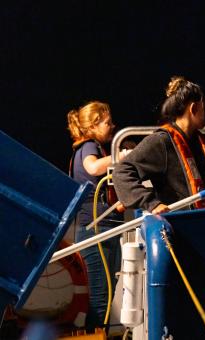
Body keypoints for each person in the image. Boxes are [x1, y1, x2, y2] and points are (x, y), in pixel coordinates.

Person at [112, 76, 205, 214]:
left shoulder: (203, 144)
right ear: (193, 108)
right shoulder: (162, 141)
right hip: (180, 227)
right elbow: (121, 172)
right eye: (203, 108)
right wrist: (152, 203)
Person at [67, 101, 128, 331]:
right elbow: (93, 168)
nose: (112, 126)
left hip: (107, 228)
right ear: (93, 126)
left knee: (106, 296)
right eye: (107, 122)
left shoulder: (94, 147)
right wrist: (121, 155)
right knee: (100, 301)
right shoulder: (88, 147)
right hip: (95, 231)